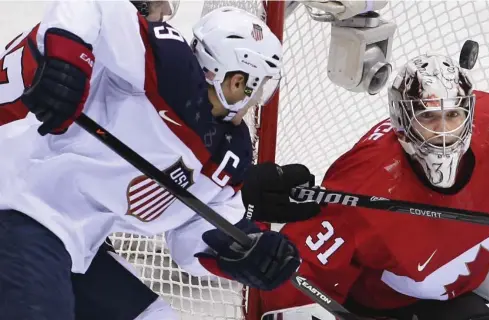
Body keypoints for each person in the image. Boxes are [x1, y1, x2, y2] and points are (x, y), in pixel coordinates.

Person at [0, 1, 305, 319]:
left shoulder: (230, 150)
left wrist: (242, 251)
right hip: (21, 206)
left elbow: (197, 224)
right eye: (261, 87)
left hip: (75, 239)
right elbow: (97, 5)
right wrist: (68, 64)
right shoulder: (167, 67)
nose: (258, 99)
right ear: (238, 81)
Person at [241, 53, 489, 320]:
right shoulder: (360, 189)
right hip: (393, 307)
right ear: (403, 120)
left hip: (478, 272)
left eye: (453, 115)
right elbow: (291, 281)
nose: (444, 133)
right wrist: (248, 219)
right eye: (428, 118)